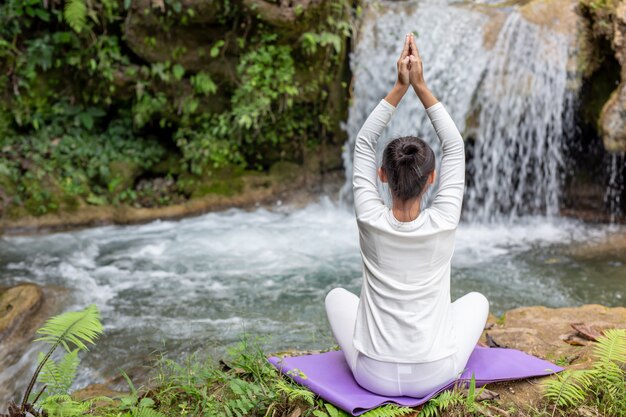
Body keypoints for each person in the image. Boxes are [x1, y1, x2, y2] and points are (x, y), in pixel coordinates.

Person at [325, 33, 489, 398]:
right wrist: (421, 85)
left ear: (381, 175)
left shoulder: (369, 217)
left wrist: (399, 88)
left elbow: (364, 143)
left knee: (336, 295)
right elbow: (454, 145)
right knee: (477, 301)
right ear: (432, 179)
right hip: (436, 373)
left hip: (371, 374)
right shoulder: (443, 220)